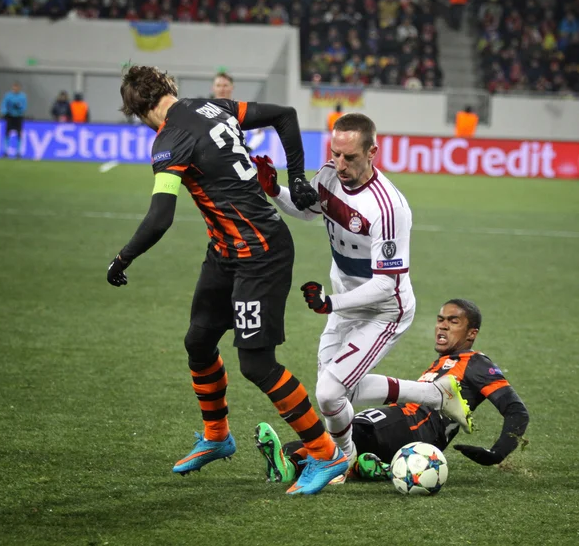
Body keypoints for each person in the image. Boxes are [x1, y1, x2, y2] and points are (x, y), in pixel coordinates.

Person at [106, 64, 348, 496]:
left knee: (257, 363)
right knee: (198, 342)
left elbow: (160, 217)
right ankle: (217, 437)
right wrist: (296, 176)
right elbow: (285, 115)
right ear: (168, 88)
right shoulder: (213, 107)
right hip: (225, 252)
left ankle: (325, 452)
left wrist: (123, 257)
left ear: (140, 110)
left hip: (260, 254)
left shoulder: (169, 140)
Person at [252, 113, 472, 473]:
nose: (339, 164)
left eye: (349, 157)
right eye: (335, 154)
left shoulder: (388, 208)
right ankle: (434, 394)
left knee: (328, 392)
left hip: (384, 310)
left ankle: (341, 459)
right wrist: (275, 190)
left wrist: (330, 303)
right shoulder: (328, 175)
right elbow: (307, 211)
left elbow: (385, 283)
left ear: (372, 152)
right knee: (338, 393)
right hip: (343, 303)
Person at [254, 299, 530, 483]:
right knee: (332, 437)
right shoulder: (444, 362)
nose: (442, 325)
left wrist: (498, 452)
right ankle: (344, 465)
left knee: (354, 431)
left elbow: (516, 411)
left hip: (417, 426)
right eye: (440, 319)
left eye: (453, 321)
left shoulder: (476, 363)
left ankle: (300, 463)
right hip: (402, 421)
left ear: (472, 333)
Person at [212, 70, 265, 151]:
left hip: (235, 157)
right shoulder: (204, 109)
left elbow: (259, 134)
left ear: (232, 87)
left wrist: (249, 148)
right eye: (218, 85)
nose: (221, 89)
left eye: (225, 85)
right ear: (213, 88)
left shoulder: (241, 108)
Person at [0, 81, 27, 158]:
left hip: (18, 117)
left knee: (18, 134)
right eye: (14, 87)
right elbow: (4, 105)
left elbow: (24, 107)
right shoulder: (8, 96)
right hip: (10, 116)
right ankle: (6, 151)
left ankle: (18, 152)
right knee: (7, 133)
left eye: (17, 87)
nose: (15, 89)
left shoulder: (22, 96)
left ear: (19, 88)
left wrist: (20, 108)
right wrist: (5, 112)